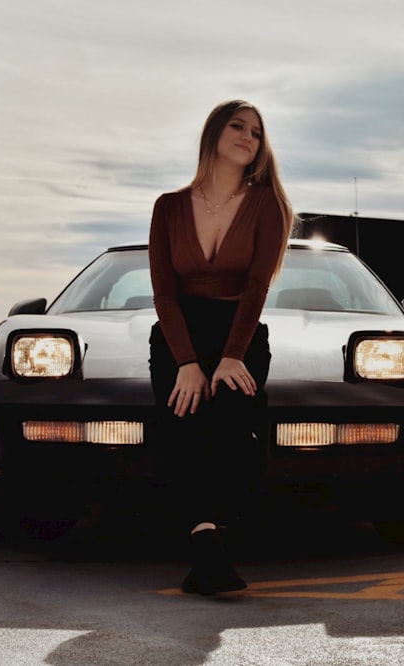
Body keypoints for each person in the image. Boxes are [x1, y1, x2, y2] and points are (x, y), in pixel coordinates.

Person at [148, 100, 293, 595]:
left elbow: (257, 288)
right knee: (183, 419)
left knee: (231, 420)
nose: (249, 137)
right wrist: (187, 364)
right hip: (178, 335)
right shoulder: (168, 207)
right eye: (238, 126)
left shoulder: (267, 205)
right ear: (214, 133)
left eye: (257, 132)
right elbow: (164, 294)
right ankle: (207, 541)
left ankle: (213, 534)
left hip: (240, 335)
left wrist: (231, 355)